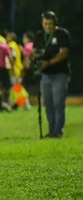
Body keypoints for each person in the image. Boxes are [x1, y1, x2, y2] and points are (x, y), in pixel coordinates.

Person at [32, 11, 70, 139]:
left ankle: (58, 131)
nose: (48, 26)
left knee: (58, 102)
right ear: (42, 24)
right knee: (47, 103)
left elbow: (64, 52)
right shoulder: (39, 35)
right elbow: (35, 51)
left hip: (60, 73)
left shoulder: (62, 34)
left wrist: (49, 62)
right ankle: (51, 130)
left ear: (55, 23)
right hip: (45, 74)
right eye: (45, 24)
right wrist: (34, 59)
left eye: (50, 24)